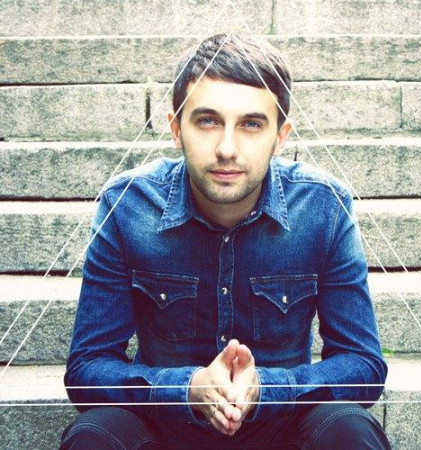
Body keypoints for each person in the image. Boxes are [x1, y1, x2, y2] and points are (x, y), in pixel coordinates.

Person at [61, 33, 390, 449]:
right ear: (176, 128)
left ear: (281, 135)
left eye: (251, 124)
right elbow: (87, 368)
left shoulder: (323, 205)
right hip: (165, 427)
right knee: (94, 434)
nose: (227, 149)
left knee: (349, 429)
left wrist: (267, 388)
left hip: (281, 425)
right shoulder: (128, 204)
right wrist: (187, 388)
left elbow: (363, 364)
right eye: (207, 121)